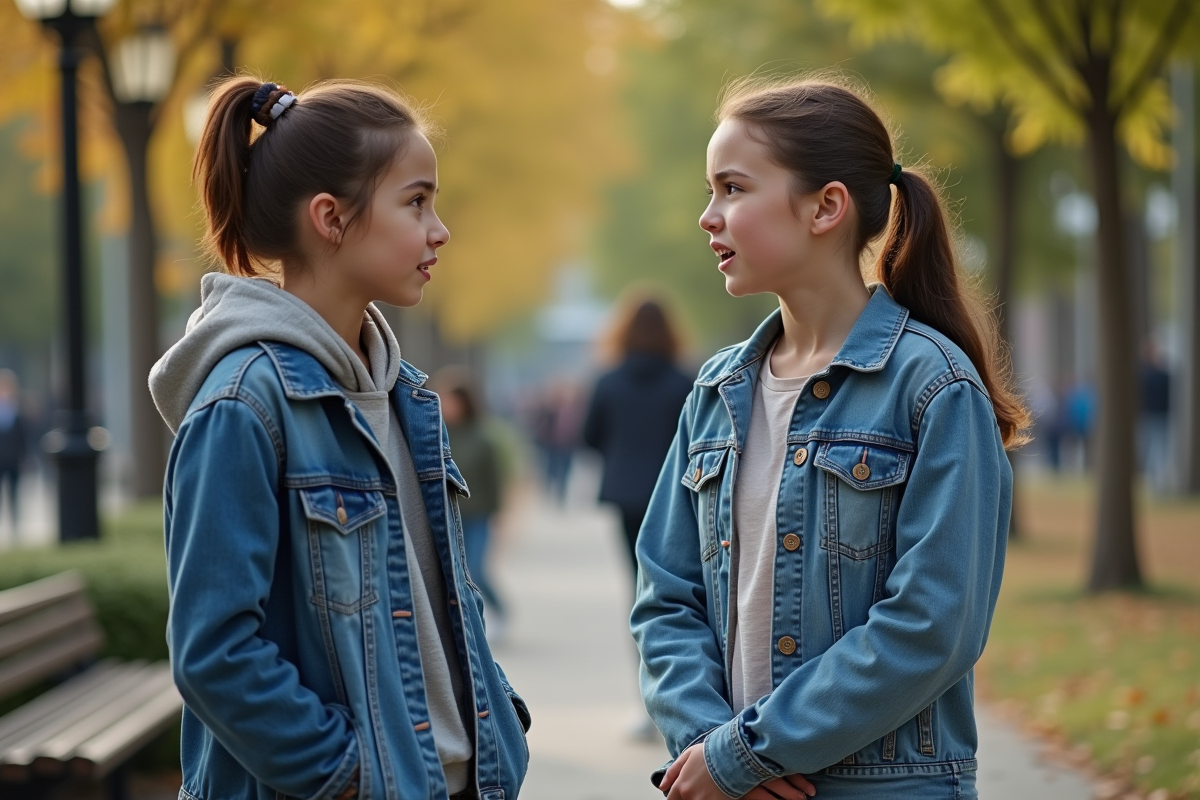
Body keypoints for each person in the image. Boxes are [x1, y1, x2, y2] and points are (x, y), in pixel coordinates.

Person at [631, 78, 1028, 800]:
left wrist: (750, 752)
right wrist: (707, 746)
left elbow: (933, 625)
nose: (707, 216)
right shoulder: (716, 393)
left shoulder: (934, 387)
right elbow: (665, 595)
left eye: (732, 188)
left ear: (826, 207)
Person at [149, 77, 529, 800]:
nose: (438, 229)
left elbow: (445, 597)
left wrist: (499, 722)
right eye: (416, 201)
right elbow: (215, 653)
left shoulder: (407, 398)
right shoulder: (243, 405)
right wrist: (344, 774)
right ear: (331, 218)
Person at [583, 297, 692, 589]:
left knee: (635, 569)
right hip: (672, 489)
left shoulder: (608, 382)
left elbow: (588, 437)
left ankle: (640, 627)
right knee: (669, 568)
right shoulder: (684, 383)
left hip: (624, 489)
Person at [433, 367, 508, 636]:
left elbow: (494, 482)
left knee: (476, 569)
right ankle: (468, 623)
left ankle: (500, 611)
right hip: (447, 515)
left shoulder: (482, 438)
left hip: (478, 516)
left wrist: (499, 517)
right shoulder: (434, 434)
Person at [0, 369, 27, 530]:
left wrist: (24, 456)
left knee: (14, 492)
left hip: (14, 457)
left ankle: (14, 524)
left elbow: (22, 435)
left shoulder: (18, 407)